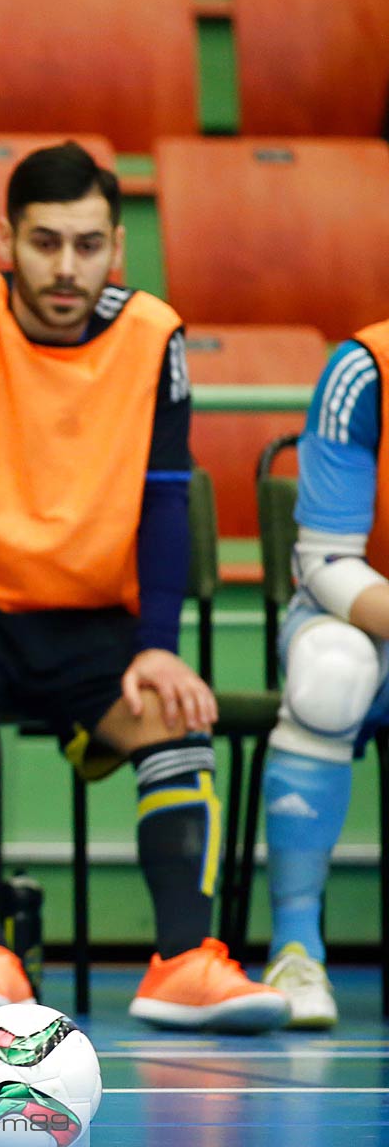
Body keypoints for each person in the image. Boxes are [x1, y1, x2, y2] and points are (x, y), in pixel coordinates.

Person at [0, 141, 288, 1033]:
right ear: (6, 241)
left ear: (117, 249)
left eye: (87, 245)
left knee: (177, 711)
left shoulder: (154, 332)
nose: (65, 267)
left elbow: (165, 503)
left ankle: (182, 961)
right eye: (45, 242)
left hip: (92, 614)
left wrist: (159, 649)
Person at [256, 317, 389, 1030]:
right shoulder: (366, 367)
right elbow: (327, 561)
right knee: (331, 671)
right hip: (361, 617)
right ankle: (296, 945)